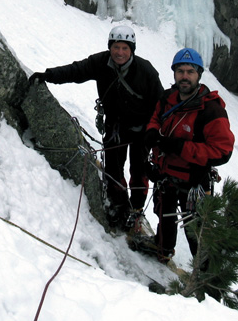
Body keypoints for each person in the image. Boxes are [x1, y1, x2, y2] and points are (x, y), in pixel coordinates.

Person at [29, 25, 164, 230]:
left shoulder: (146, 71)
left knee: (139, 170)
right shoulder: (100, 63)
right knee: (113, 168)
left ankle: (135, 212)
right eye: (116, 47)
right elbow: (75, 71)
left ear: (132, 50)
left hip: (142, 131)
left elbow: (161, 105)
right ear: (110, 47)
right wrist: (48, 75)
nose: (119, 52)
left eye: (124, 48)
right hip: (116, 126)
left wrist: (156, 135)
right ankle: (118, 205)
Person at [143, 48, 235, 263]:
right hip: (165, 173)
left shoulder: (211, 110)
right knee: (165, 216)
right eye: (180, 71)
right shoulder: (168, 99)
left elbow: (222, 151)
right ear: (174, 74)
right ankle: (163, 249)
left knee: (196, 229)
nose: (184, 76)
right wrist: (152, 131)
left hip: (194, 179)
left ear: (199, 75)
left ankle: (203, 274)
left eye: (190, 72)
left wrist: (179, 147)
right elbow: (156, 118)